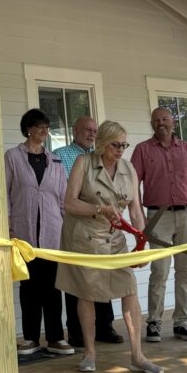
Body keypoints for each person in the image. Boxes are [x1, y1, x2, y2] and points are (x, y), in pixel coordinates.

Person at [56, 120, 163, 373]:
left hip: (115, 239)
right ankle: (89, 353)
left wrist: (142, 244)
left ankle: (137, 356)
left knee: (129, 289)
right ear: (103, 143)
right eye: (116, 145)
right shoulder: (84, 163)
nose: (121, 150)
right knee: (87, 293)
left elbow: (135, 210)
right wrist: (99, 209)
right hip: (85, 237)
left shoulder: (128, 168)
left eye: (124, 145)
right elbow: (69, 203)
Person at [131, 107, 187, 343]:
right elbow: (133, 185)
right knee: (160, 271)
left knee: (184, 270)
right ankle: (154, 322)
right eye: (156, 120)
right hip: (158, 217)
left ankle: (182, 322)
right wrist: (140, 217)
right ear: (152, 124)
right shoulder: (142, 150)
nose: (160, 123)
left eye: (164, 119)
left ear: (173, 122)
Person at [5, 108, 74, 358]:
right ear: (28, 129)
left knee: (53, 287)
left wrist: (67, 229)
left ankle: (56, 338)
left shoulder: (54, 161)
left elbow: (63, 198)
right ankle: (30, 338)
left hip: (53, 232)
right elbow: (5, 194)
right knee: (29, 288)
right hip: (23, 232)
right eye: (39, 126)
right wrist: (7, 227)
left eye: (46, 126)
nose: (44, 130)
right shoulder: (13, 157)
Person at [55, 115, 123, 346]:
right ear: (75, 130)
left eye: (95, 130)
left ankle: (105, 327)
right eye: (87, 130)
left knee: (103, 276)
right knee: (76, 280)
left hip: (101, 227)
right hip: (75, 225)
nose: (91, 134)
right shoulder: (62, 155)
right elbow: (64, 192)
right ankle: (77, 332)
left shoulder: (101, 157)